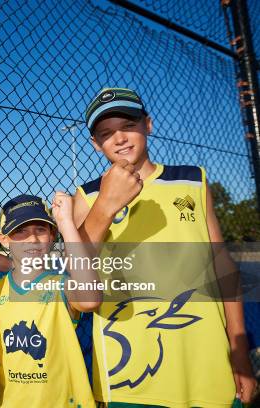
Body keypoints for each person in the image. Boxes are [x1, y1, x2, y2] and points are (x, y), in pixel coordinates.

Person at [73, 87, 257, 406]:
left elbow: (221, 265)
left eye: (128, 126)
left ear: (149, 124)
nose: (118, 139)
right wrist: (105, 206)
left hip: (207, 360)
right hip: (131, 373)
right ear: (94, 143)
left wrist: (239, 348)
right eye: (106, 133)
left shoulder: (192, 181)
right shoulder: (86, 196)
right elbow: (78, 292)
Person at [0, 193, 99, 407]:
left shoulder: (61, 285)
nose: (32, 239)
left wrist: (66, 223)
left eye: (40, 230)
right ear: (4, 240)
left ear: (52, 236)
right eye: (20, 231)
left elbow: (90, 299)